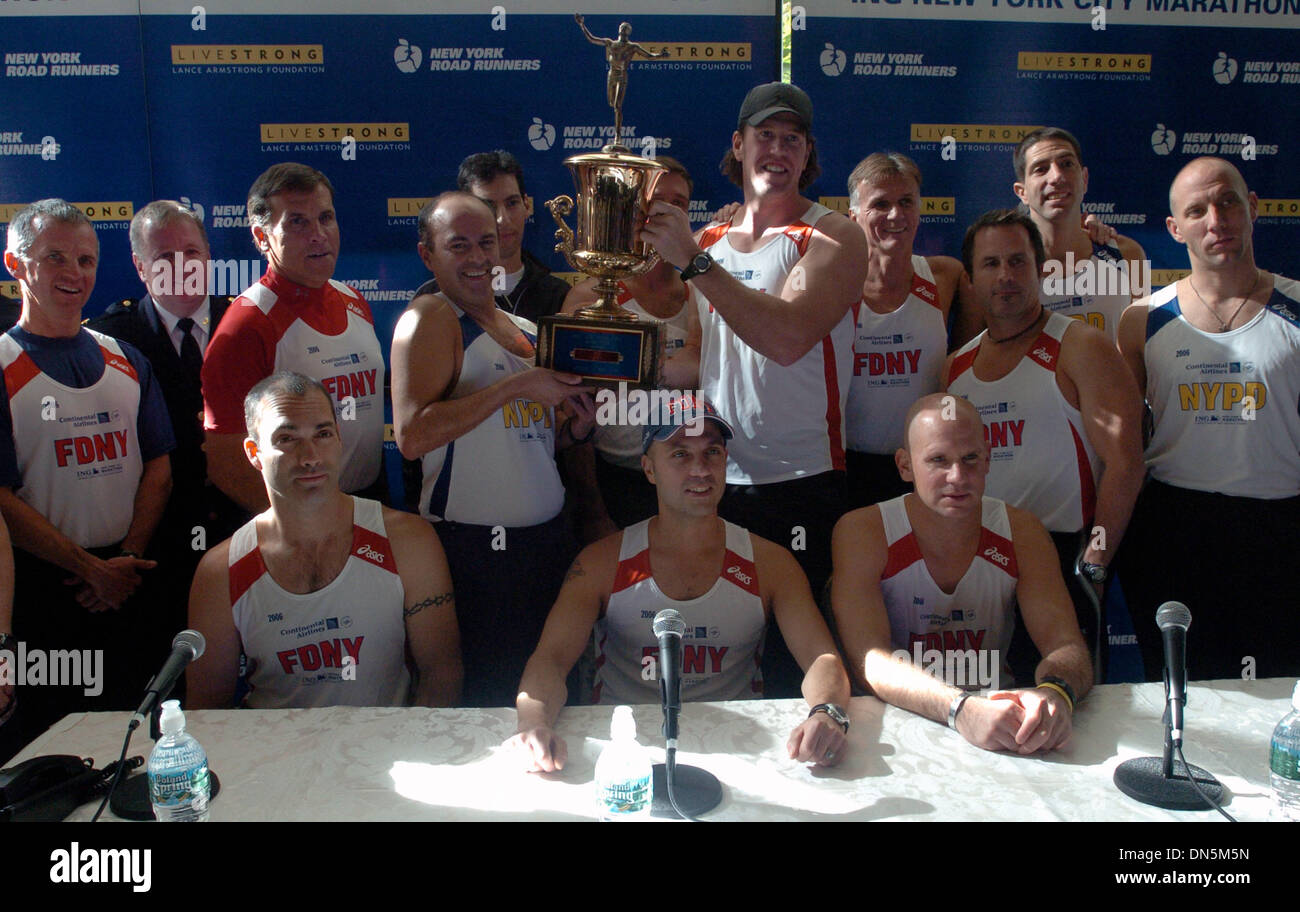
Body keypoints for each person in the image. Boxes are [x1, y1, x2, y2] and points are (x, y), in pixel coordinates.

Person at [639, 81, 868, 697]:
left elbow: (789, 337)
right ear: (738, 145)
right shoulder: (709, 242)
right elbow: (697, 356)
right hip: (716, 476)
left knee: (799, 663)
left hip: (802, 480)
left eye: (791, 139)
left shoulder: (834, 236)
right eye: (764, 135)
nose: (777, 149)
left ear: (807, 153)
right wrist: (607, 364)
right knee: (720, 655)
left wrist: (694, 263)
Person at [510, 394, 851, 772]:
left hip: (739, 747)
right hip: (626, 752)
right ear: (649, 468)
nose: (700, 469)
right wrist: (534, 723)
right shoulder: (601, 563)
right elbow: (551, 660)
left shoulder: (770, 563)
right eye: (680, 454)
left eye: (712, 453)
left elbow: (822, 658)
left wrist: (827, 713)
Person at [392, 191, 595, 707]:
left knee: (553, 701)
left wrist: (574, 428)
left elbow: (528, 440)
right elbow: (412, 436)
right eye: (458, 245)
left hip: (546, 546)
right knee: (492, 711)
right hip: (478, 554)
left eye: (487, 242)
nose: (479, 258)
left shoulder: (523, 328)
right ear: (427, 255)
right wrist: (516, 388)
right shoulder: (430, 316)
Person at [1117, 157, 1300, 681]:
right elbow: (1124, 447)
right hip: (1175, 528)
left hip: (1280, 528)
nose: (1215, 220)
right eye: (1196, 211)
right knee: (1182, 689)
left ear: (1253, 208)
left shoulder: (1296, 305)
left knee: (1280, 691)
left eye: (1227, 202)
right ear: (1175, 229)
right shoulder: (1142, 320)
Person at [0, 199, 174, 747]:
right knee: (46, 751)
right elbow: (0, 500)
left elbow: (159, 469)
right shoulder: (3, 364)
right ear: (15, 264)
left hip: (127, 582)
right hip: (42, 595)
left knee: (132, 742)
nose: (75, 274)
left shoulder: (125, 356)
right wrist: (88, 570)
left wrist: (120, 565)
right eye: (56, 257)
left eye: (86, 260)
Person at [943, 209, 1144, 681]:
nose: (1006, 276)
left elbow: (1126, 462)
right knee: (984, 698)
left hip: (1062, 556)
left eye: (1018, 261)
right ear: (970, 279)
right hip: (979, 560)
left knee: (1067, 702)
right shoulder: (954, 367)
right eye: (991, 264)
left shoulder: (1081, 346)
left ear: (1041, 270)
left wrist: (1094, 561)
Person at [831, 394, 1092, 753]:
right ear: (905, 466)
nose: (958, 477)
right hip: (900, 722)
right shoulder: (863, 531)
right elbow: (870, 660)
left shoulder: (1023, 532)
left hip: (1000, 715)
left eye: (970, 459)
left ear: (987, 460)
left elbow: (1067, 644)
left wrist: (1055, 693)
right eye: (938, 460)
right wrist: (960, 708)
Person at [187, 371, 460, 709]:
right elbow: (207, 711)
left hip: (389, 746)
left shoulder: (407, 540)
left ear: (340, 438)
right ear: (254, 452)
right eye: (287, 439)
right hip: (275, 755)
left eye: (323, 434)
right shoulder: (220, 571)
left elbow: (442, 676)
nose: (310, 456)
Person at [87, 201, 242, 666]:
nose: (182, 268)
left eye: (192, 252)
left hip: (244, 530)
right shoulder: (110, 341)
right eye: (165, 258)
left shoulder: (249, 323)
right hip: (159, 549)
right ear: (139, 266)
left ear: (210, 255)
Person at [202, 163, 386, 517]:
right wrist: (296, 528)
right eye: (298, 222)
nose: (318, 234)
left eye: (326, 217)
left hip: (370, 501)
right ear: (261, 237)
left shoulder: (354, 301)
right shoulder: (245, 326)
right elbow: (226, 462)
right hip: (301, 519)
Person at [563, 155, 702, 530]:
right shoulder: (591, 296)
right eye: (657, 200)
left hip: (690, 478)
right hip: (615, 480)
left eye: (680, 203)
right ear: (636, 208)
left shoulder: (704, 292)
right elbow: (574, 414)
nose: (668, 211)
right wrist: (593, 506)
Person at [843, 152, 966, 509]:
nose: (896, 215)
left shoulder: (946, 276)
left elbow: (968, 369)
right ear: (854, 216)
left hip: (927, 466)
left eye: (906, 202)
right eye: (880, 204)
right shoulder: (831, 286)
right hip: (847, 466)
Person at [1012, 128, 1146, 344]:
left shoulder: (1128, 254)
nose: (1056, 177)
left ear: (1084, 179)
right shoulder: (1005, 269)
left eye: (1066, 164)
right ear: (1022, 192)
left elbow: (1141, 349)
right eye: (1041, 169)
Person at [415, 150, 571, 326]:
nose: (502, 219)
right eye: (488, 206)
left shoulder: (558, 295)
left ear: (526, 205)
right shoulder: (433, 295)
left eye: (512, 203)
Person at [574, 14, 668, 144]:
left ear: (629, 32)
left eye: (626, 28)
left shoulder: (633, 46)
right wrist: (582, 25)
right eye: (622, 27)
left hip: (622, 76)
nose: (623, 29)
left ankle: (617, 137)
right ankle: (617, 130)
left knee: (618, 106)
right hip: (611, 76)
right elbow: (592, 39)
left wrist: (661, 56)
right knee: (612, 103)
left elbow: (649, 56)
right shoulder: (610, 43)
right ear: (619, 30)